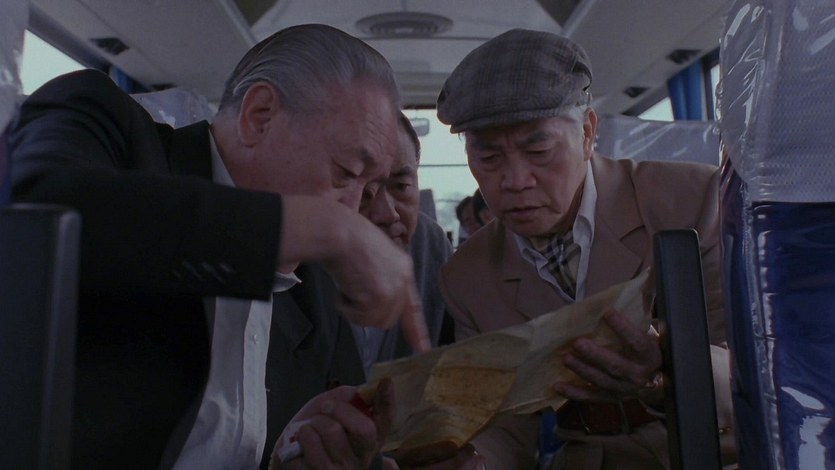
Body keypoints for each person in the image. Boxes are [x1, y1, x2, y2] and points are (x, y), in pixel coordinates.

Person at [7, 24, 429, 469]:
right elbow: (35, 210)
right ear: (260, 115)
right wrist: (303, 228)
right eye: (346, 173)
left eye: (367, 189)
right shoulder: (108, 122)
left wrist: (299, 455)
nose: (353, 211)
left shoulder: (317, 294)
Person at [435, 29, 733, 469]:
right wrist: (470, 460)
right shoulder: (469, 275)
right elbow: (500, 422)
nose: (514, 181)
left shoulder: (692, 201)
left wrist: (671, 369)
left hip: (710, 451)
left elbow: (757, 367)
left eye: (538, 149)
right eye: (489, 158)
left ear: (588, 132)